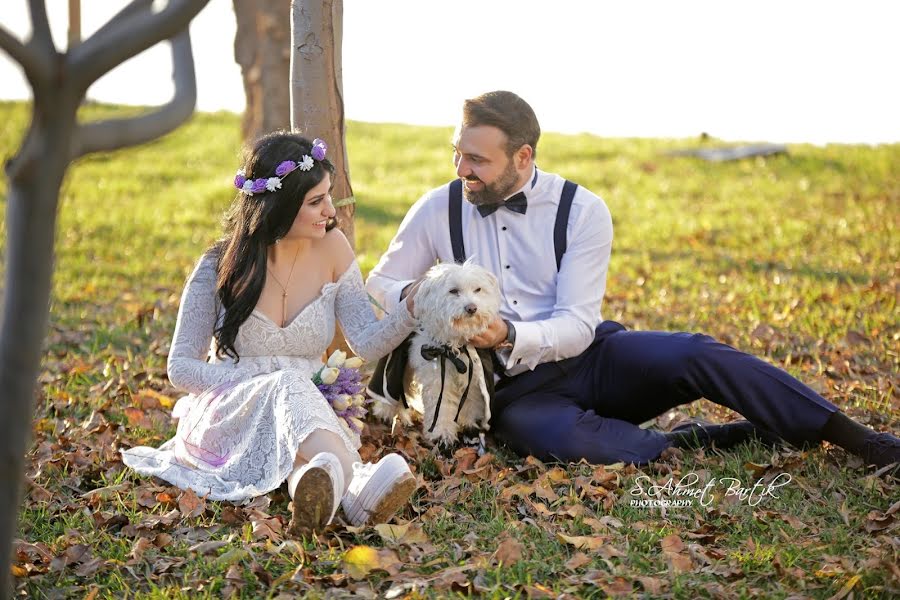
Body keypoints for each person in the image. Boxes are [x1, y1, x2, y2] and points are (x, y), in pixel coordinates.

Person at [366, 90, 900, 469]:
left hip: (592, 359)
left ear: (523, 157)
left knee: (693, 352)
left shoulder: (581, 210)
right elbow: (380, 281)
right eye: (457, 153)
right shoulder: (438, 207)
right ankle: (698, 443)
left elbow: (577, 323)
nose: (462, 168)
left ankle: (855, 437)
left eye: (477, 159)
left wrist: (510, 333)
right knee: (542, 433)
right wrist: (414, 295)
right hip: (508, 392)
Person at [123, 132, 421, 535]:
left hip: (310, 410)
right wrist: (263, 381)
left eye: (328, 196)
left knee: (315, 464)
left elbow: (365, 342)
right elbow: (181, 368)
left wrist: (410, 310)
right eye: (315, 201)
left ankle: (327, 495)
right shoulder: (219, 264)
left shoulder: (334, 249)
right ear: (279, 206)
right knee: (287, 386)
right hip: (230, 410)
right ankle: (362, 484)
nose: (330, 211)